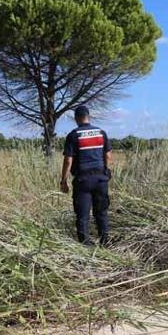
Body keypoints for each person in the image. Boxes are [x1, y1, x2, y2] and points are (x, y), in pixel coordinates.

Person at [60, 105, 112, 245]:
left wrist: (63, 181)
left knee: (82, 215)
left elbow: (68, 160)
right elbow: (107, 155)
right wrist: (106, 171)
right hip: (101, 179)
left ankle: (85, 246)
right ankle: (105, 242)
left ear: (76, 118)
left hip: (83, 180)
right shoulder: (101, 132)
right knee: (101, 212)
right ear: (88, 116)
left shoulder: (73, 135)